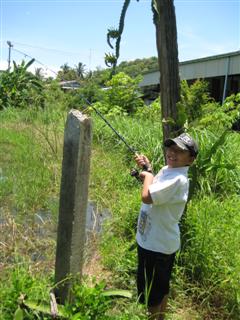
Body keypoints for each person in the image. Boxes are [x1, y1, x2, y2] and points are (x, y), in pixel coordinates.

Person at [134, 133, 198, 320]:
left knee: (152, 292)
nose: (172, 153)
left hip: (155, 246)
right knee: (161, 286)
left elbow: (147, 196)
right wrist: (149, 169)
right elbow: (155, 187)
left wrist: (147, 176)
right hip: (158, 242)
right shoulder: (169, 170)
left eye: (180, 151)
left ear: (191, 160)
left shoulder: (177, 179)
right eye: (171, 148)